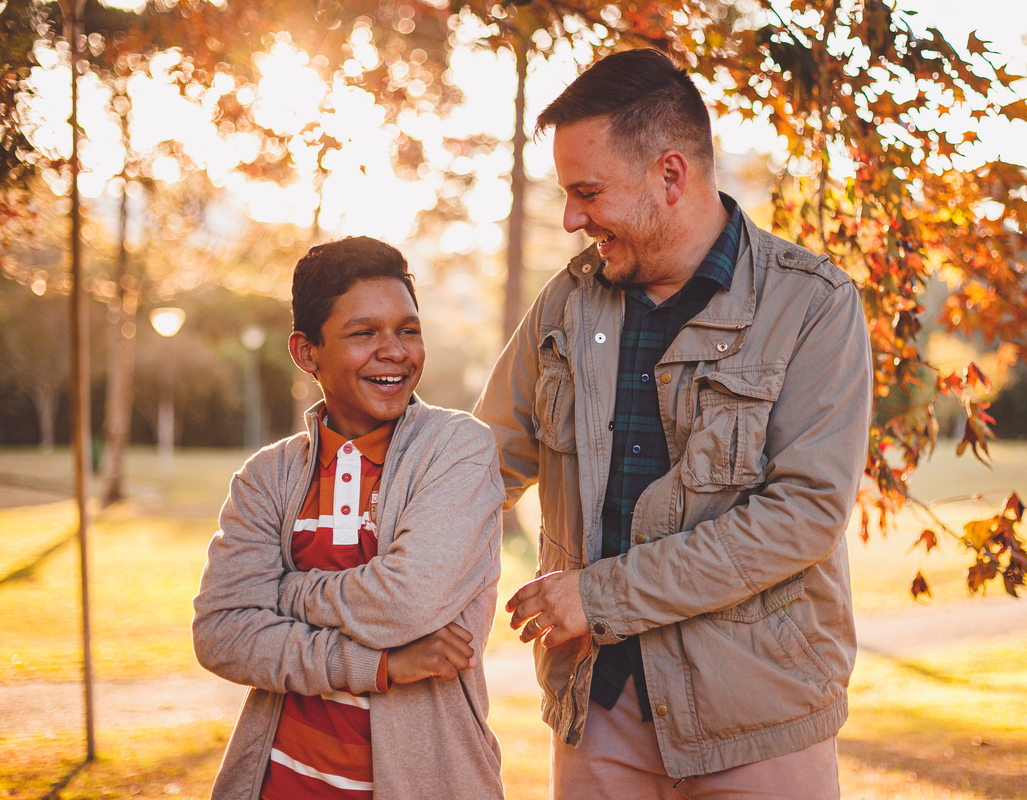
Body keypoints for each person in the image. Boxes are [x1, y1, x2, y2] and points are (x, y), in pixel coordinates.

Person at [473, 49, 872, 798]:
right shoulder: (566, 304)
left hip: (759, 718)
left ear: (670, 175)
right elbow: (479, 466)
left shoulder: (814, 306)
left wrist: (600, 597)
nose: (571, 219)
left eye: (587, 192)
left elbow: (804, 515)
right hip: (600, 707)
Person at [193, 236, 506, 800]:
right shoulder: (268, 477)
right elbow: (221, 634)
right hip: (280, 783)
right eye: (364, 333)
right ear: (306, 352)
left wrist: (283, 594)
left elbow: (407, 603)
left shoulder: (457, 449)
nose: (395, 351)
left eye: (408, 330)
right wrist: (375, 664)